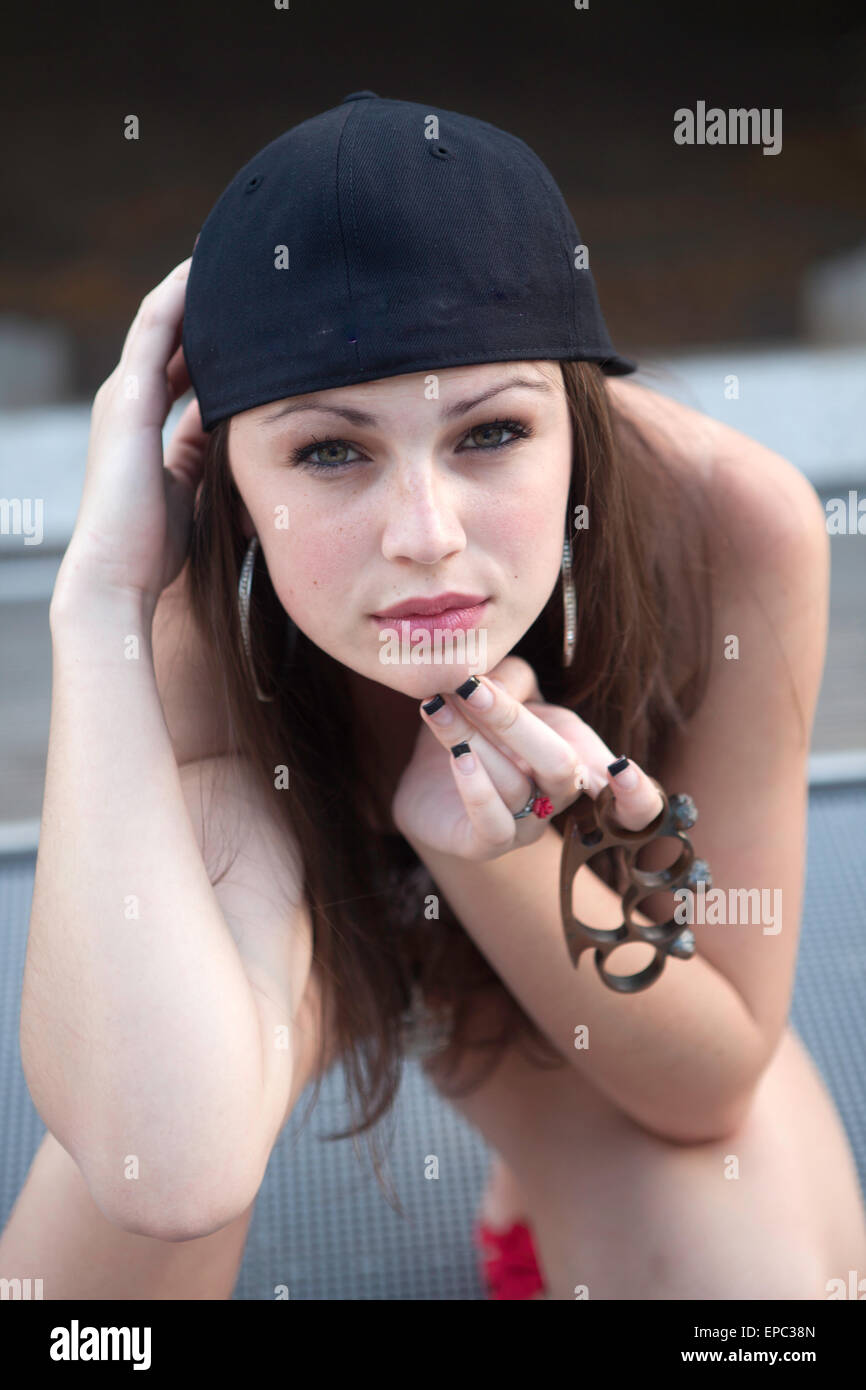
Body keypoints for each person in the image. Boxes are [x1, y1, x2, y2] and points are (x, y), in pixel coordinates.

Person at [3, 97, 866, 1301]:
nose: (425, 537)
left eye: (491, 432)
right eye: (329, 452)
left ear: (578, 418)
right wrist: (94, 603)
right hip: (292, 964)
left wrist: (486, 850)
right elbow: (170, 1171)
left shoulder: (725, 526)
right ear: (224, 469)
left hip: (554, 1011)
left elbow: (710, 1076)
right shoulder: (188, 613)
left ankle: (551, 1186)